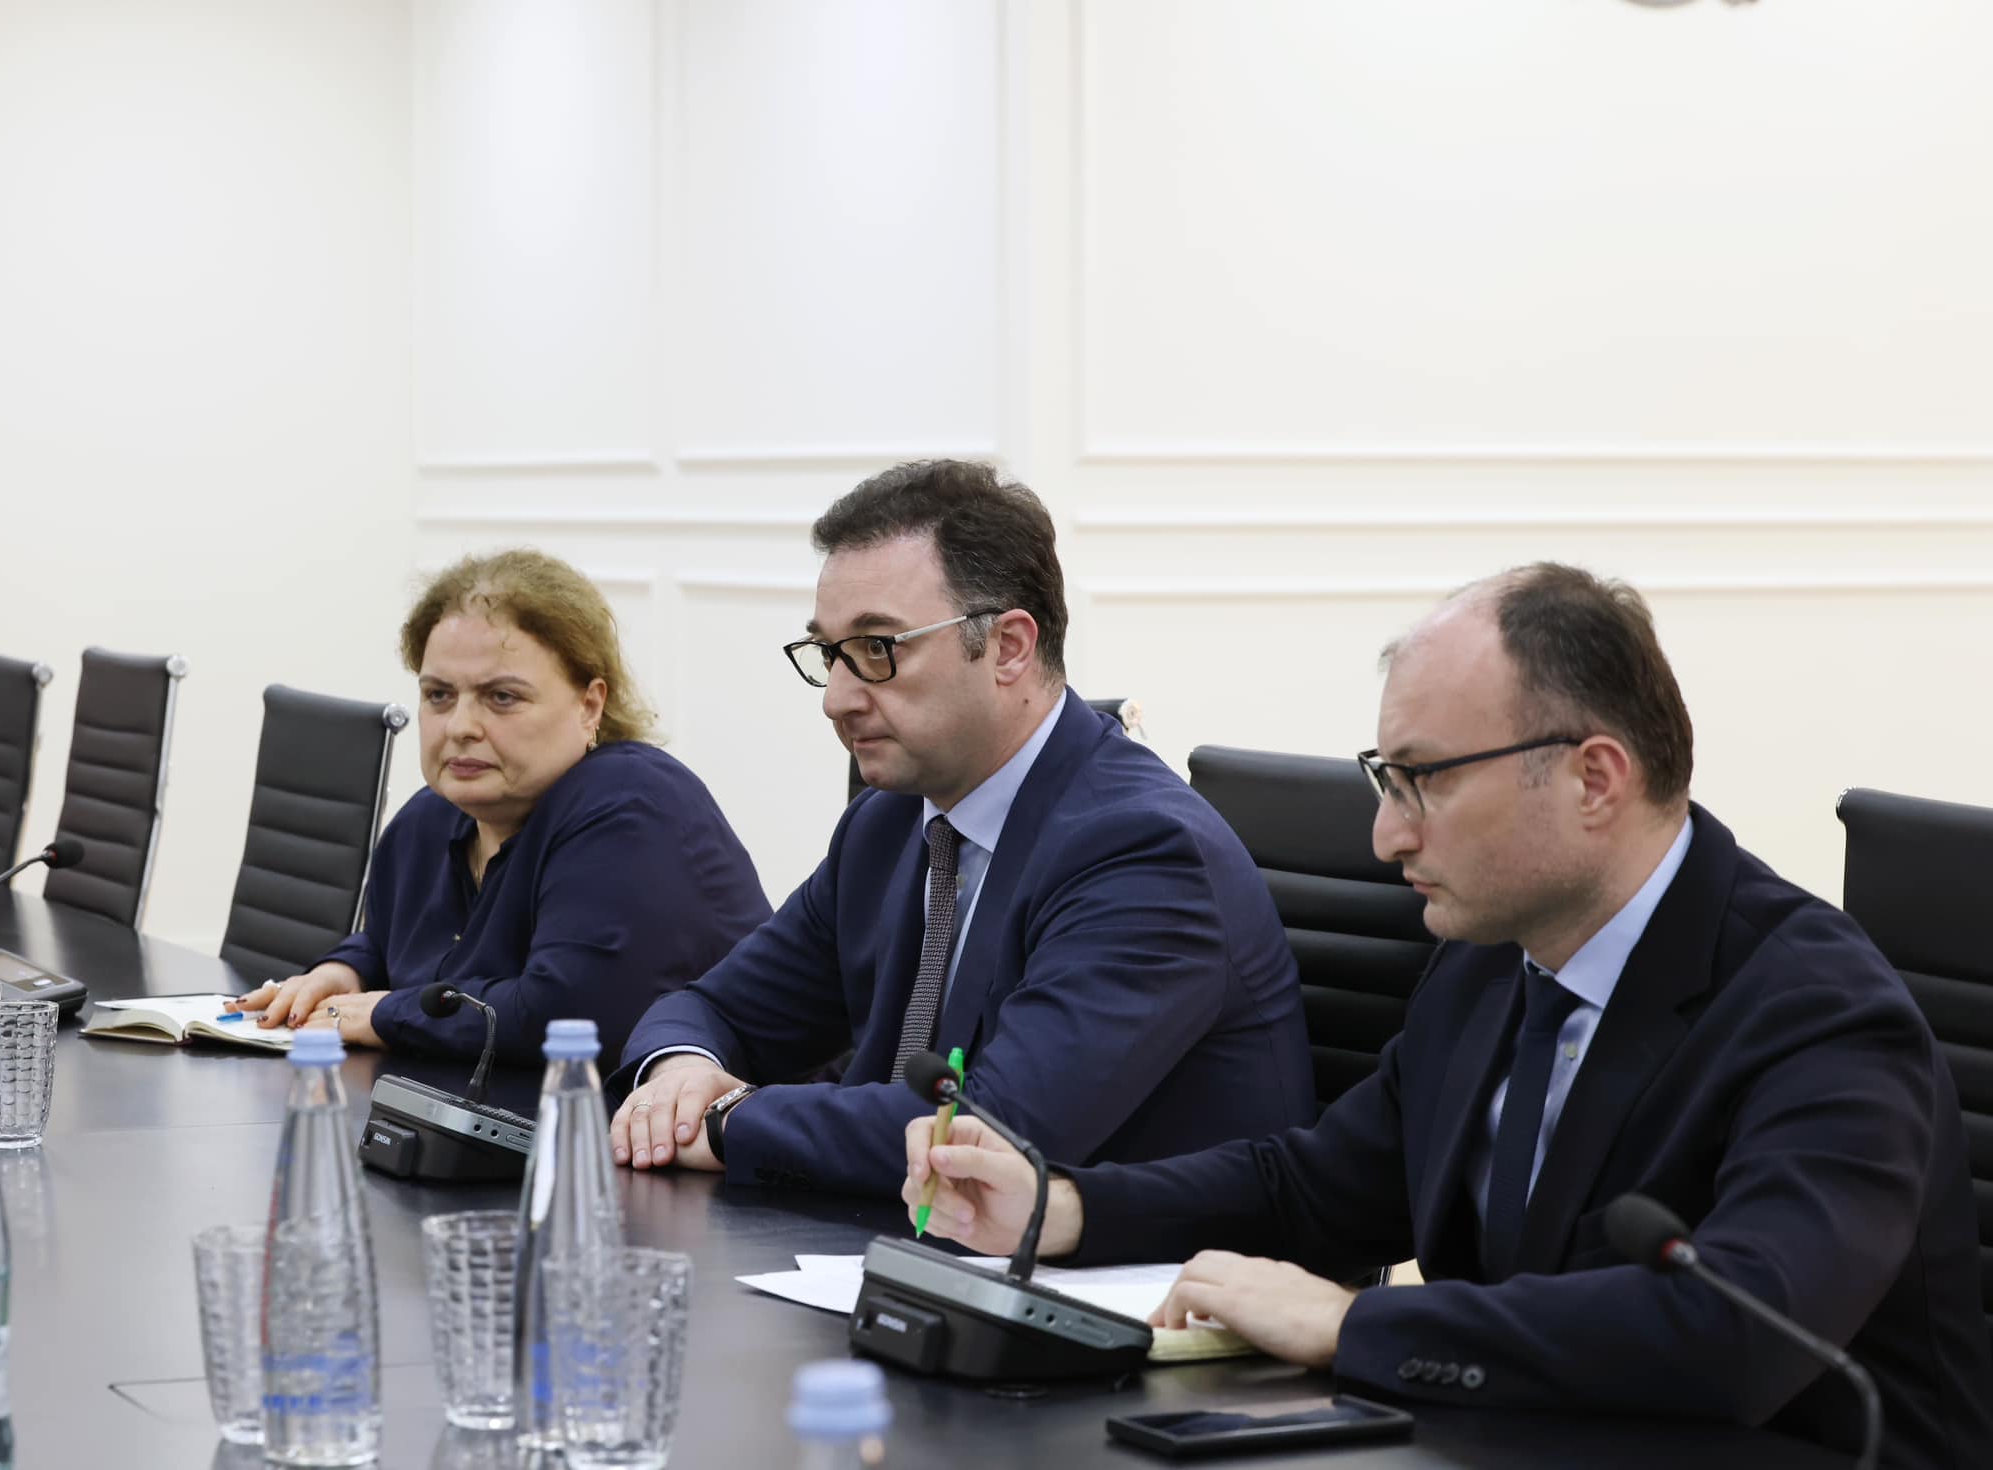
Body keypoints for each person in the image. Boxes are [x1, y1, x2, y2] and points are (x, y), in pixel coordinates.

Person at [903, 563, 1993, 1470]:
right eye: (1386, 779)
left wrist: (1352, 1324)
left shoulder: (1818, 1012)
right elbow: (1316, 1187)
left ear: (1594, 779)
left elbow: (1739, 1335)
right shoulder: (1491, 959)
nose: (1387, 836)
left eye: (1422, 780)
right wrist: (1064, 1208)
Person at [608, 459, 1315, 1196]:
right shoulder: (887, 824)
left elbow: (990, 1131)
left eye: (878, 649)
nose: (837, 699)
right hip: (907, 1239)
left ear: (1009, 647)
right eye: (829, 654)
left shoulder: (1143, 852)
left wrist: (728, 1120)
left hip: (1133, 1264)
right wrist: (680, 1073)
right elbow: (713, 1008)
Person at [235, 549, 771, 1063]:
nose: (460, 727)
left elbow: (564, 1013)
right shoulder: (429, 817)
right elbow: (387, 943)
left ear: (589, 706)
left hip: (656, 1122)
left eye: (502, 697)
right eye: (439, 695)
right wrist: (344, 973)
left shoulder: (633, 804)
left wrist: (382, 1014)